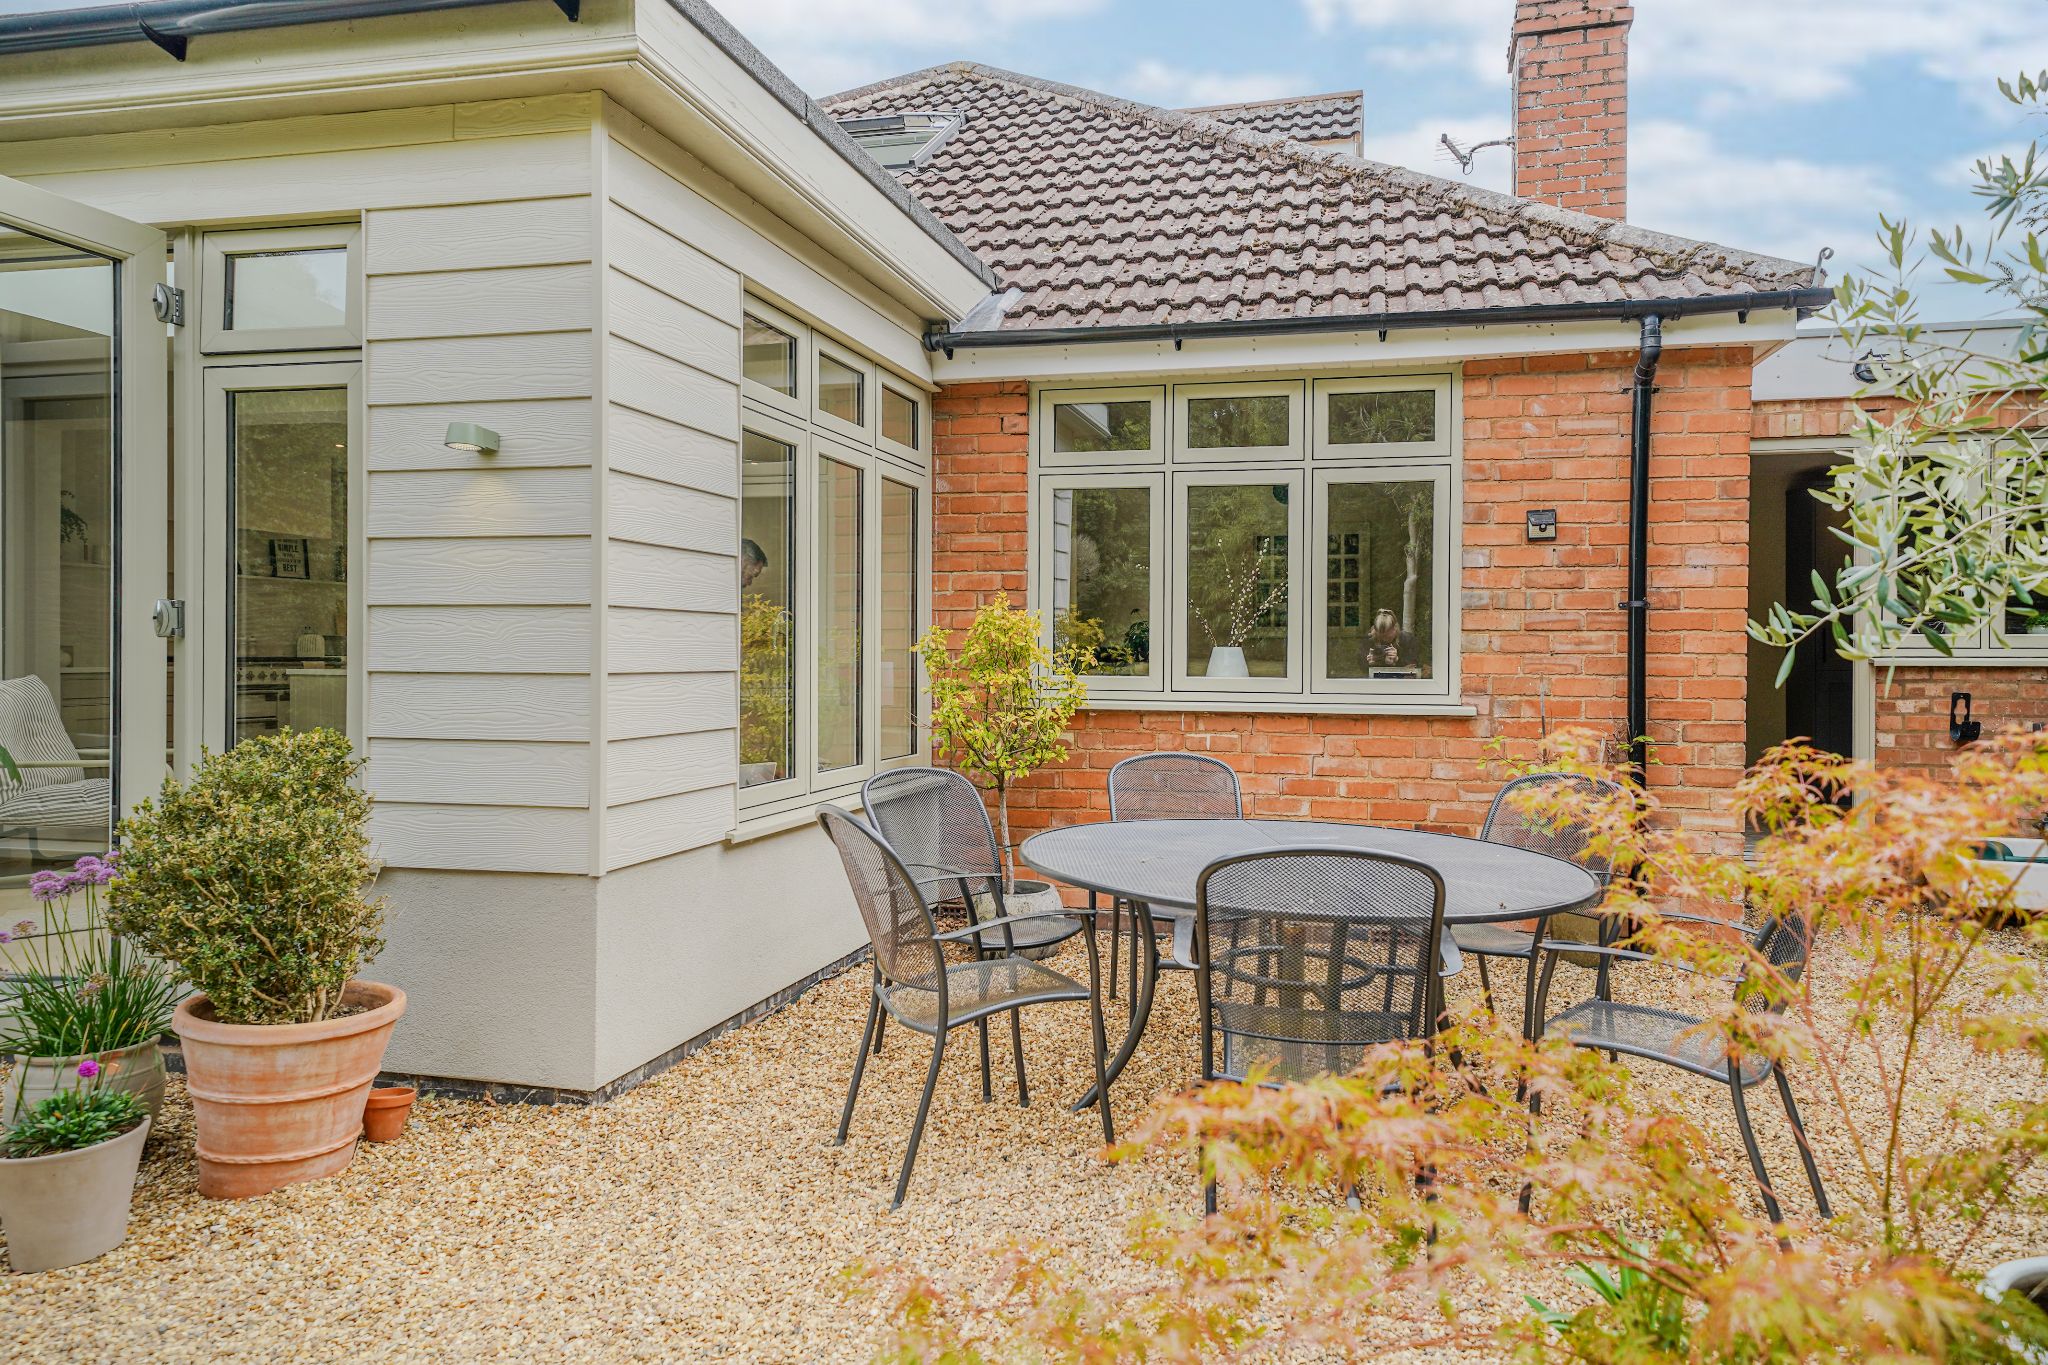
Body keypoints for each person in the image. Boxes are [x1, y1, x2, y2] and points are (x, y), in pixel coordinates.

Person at [1360, 607, 1419, 673]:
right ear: (1375, 630)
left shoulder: (1407, 639)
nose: (1384, 639)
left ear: (1395, 628)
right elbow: (1360, 667)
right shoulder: (1370, 639)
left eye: (1387, 636)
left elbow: (1413, 666)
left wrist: (1397, 660)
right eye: (1381, 636)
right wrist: (1369, 664)